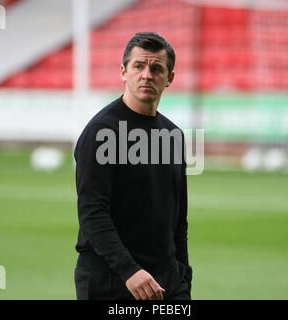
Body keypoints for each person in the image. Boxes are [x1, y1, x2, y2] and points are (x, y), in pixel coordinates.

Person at [73, 32, 192, 300]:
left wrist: (184, 278)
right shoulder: (102, 133)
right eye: (139, 66)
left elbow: (178, 221)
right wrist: (130, 271)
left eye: (157, 68)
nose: (147, 75)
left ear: (170, 78)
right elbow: (93, 212)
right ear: (123, 72)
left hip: (167, 284)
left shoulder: (173, 136)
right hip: (114, 282)